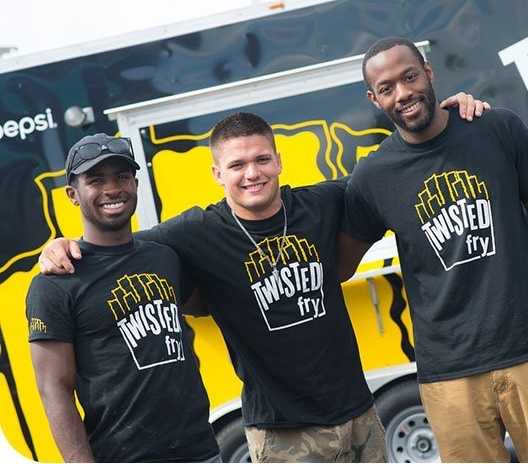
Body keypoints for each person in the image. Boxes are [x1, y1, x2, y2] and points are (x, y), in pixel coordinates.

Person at [38, 94, 488, 462]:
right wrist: (58, 246)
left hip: (360, 415)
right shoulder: (190, 234)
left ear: (278, 161)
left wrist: (454, 122)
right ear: (218, 174)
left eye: (261, 160)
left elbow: (399, 174)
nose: (251, 173)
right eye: (236, 165)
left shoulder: (325, 203)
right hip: (280, 433)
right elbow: (117, 246)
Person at [336, 37, 528, 463]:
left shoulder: (498, 129)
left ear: (428, 72)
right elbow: (339, 267)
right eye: (387, 88)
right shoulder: (373, 177)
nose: (403, 93)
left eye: (409, 77)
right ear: (374, 98)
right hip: (449, 378)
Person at [26, 133, 220, 463]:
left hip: (202, 452)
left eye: (122, 176)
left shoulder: (165, 258)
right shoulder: (56, 283)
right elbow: (54, 388)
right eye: (96, 180)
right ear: (73, 194)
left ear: (136, 184)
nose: (112, 188)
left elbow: (207, 305)